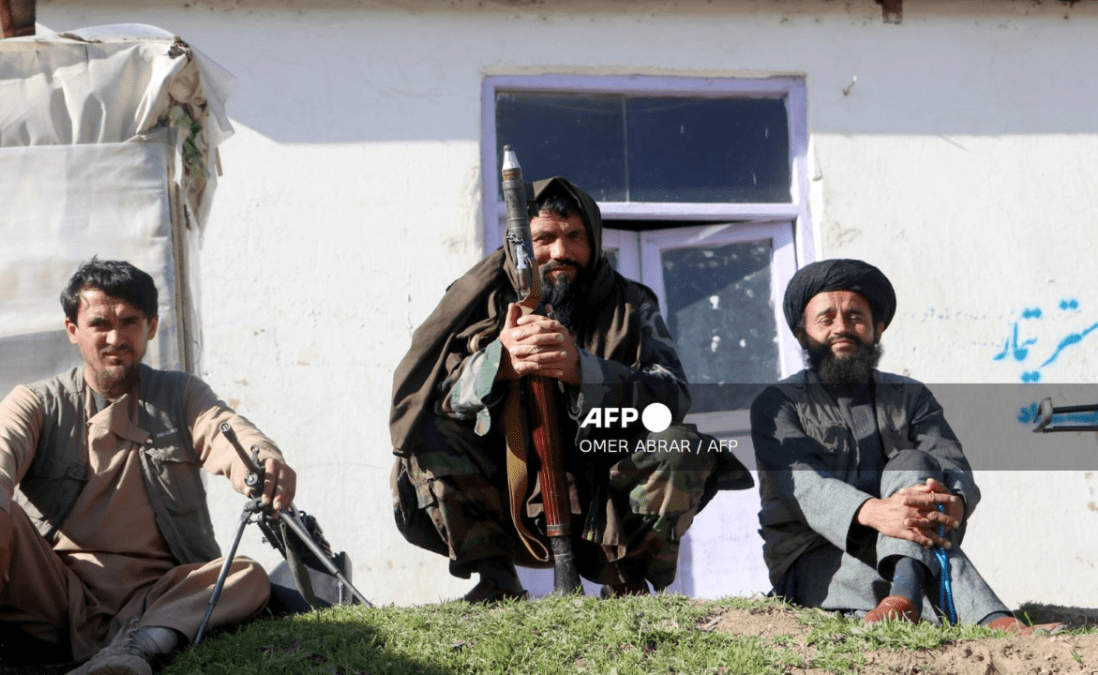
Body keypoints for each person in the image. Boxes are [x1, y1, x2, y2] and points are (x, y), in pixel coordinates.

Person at [0, 259, 296, 675]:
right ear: (73, 330)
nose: (115, 337)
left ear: (152, 327)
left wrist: (265, 460)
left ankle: (132, 653)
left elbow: (224, 430)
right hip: (57, 600)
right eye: (100, 322)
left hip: (157, 601)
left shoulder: (181, 395)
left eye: (129, 322)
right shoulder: (37, 401)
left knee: (245, 574)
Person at [390, 176, 751, 602]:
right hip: (506, 482)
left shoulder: (631, 305)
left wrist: (585, 371)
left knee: (682, 447)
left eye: (574, 236)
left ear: (593, 239)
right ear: (521, 242)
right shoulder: (479, 300)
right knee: (426, 433)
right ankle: (495, 581)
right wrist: (496, 364)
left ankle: (628, 583)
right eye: (544, 237)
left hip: (604, 484)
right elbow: (434, 398)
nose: (560, 252)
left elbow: (671, 396)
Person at [751, 258, 1060, 634]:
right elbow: (802, 485)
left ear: (878, 329)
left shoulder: (910, 396)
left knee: (914, 464)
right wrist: (873, 511)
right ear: (803, 335)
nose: (841, 328)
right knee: (919, 552)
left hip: (913, 536)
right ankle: (991, 619)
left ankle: (905, 595)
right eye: (826, 319)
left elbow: (950, 462)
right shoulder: (775, 404)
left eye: (855, 317)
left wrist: (956, 502)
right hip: (815, 552)